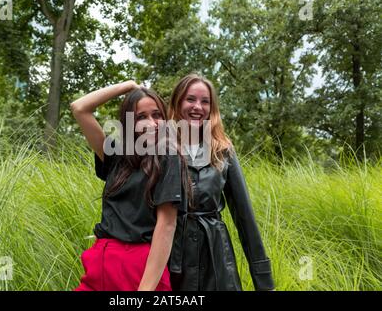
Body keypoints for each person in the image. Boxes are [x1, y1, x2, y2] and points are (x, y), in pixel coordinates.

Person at [71, 80, 189, 291]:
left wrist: (145, 289)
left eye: (157, 115)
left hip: (141, 266)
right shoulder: (116, 154)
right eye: (141, 117)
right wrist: (127, 86)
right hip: (101, 262)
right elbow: (80, 108)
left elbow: (167, 226)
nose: (152, 123)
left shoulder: (169, 158)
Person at [167, 74, 275, 291]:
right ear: (178, 102)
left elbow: (245, 217)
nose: (198, 107)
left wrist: (264, 283)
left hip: (216, 258)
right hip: (171, 257)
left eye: (205, 101)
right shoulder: (161, 147)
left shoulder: (222, 150)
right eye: (190, 99)